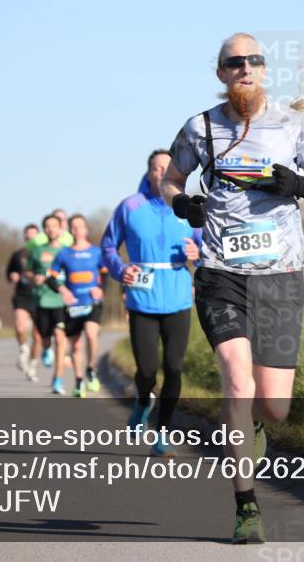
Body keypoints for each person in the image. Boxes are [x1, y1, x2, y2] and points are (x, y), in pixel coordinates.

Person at [161, 32, 304, 543]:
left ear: (263, 69)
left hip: (280, 274)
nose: (245, 68)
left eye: (253, 60)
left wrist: (300, 186)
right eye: (234, 62)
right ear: (221, 74)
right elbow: (171, 180)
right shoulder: (199, 129)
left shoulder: (292, 125)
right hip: (221, 273)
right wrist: (181, 203)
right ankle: (246, 507)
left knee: (274, 405)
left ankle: (255, 425)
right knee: (238, 383)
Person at [102, 149, 201, 456]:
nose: (161, 173)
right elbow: (107, 246)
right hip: (142, 299)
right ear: (148, 173)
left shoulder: (188, 207)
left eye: (167, 168)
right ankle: (143, 401)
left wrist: (197, 256)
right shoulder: (130, 206)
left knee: (174, 368)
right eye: (156, 168)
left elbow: (207, 246)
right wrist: (121, 269)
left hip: (178, 296)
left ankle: (163, 433)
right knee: (147, 371)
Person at [47, 214, 105, 397]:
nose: (77, 230)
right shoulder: (64, 253)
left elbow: (107, 275)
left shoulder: (97, 252)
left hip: (92, 302)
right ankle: (79, 381)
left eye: (80, 227)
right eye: (73, 227)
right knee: (77, 346)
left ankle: (91, 369)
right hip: (73, 305)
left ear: (86, 230)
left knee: (91, 333)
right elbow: (51, 277)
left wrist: (101, 289)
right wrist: (63, 291)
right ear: (69, 230)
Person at [25, 213, 68, 394]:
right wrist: (34, 277)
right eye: (48, 226)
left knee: (60, 338)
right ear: (45, 230)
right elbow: (27, 271)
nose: (51, 229)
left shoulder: (68, 250)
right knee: (44, 338)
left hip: (61, 300)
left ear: (61, 228)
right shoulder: (37, 251)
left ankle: (57, 380)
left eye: (54, 226)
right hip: (42, 300)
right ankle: (45, 348)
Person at [5, 223, 40, 374]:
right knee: (20, 327)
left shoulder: (43, 253)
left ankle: (33, 362)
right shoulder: (17, 255)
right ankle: (23, 349)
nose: (30, 238)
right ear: (25, 237)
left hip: (40, 296)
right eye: (28, 236)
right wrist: (11, 276)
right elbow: (8, 272)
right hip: (22, 295)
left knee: (38, 336)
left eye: (33, 235)